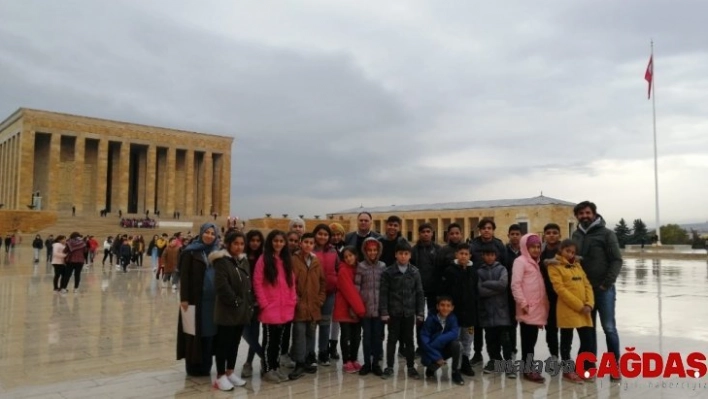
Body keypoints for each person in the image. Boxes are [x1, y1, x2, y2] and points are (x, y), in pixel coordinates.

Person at [571, 201, 623, 381]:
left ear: (594, 214)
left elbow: (616, 260)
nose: (584, 216)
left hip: (603, 290)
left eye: (587, 213)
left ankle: (614, 366)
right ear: (577, 216)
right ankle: (589, 366)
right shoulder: (576, 235)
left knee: (609, 328)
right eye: (581, 214)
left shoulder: (607, 234)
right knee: (588, 329)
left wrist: (606, 284)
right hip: (584, 292)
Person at [546, 239, 594, 383]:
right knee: (567, 342)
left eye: (573, 252)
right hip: (568, 309)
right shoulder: (554, 266)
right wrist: (579, 306)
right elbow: (560, 289)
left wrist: (589, 304)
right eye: (567, 251)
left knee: (587, 341)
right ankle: (568, 370)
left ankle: (582, 367)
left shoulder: (577, 265)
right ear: (561, 250)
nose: (570, 254)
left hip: (585, 310)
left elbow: (587, 285)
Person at [253, 230, 297, 384]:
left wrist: (292, 300)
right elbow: (257, 282)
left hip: (284, 307)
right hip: (270, 308)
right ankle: (267, 368)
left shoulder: (286, 260)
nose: (278, 244)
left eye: (281, 241)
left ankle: (275, 366)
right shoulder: (263, 259)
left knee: (278, 342)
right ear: (270, 242)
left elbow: (291, 283)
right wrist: (264, 303)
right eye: (275, 241)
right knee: (269, 341)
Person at [210, 230, 253, 391]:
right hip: (228, 310)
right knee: (223, 343)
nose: (239, 247)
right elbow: (222, 286)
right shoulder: (222, 261)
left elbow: (247, 285)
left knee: (234, 343)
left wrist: (247, 304)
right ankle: (220, 376)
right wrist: (236, 301)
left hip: (241, 310)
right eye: (236, 243)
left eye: (242, 244)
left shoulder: (243, 261)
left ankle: (230, 372)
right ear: (228, 244)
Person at [177, 223, 221, 377]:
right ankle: (192, 367)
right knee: (192, 334)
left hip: (211, 304)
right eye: (207, 232)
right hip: (193, 301)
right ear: (201, 233)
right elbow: (184, 276)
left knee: (208, 334)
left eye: (212, 233)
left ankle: (206, 366)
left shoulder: (217, 252)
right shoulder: (190, 252)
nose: (209, 235)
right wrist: (184, 298)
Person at [379, 240, 424, 380]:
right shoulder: (388, 272)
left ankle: (410, 366)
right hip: (394, 313)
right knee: (392, 340)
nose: (403, 256)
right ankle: (390, 366)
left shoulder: (415, 272)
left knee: (409, 340)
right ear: (395, 255)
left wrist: (420, 313)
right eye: (400, 253)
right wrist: (385, 312)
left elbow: (419, 293)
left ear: (410, 255)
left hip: (409, 313)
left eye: (406, 253)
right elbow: (384, 293)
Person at [510, 234, 549, 383]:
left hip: (535, 309)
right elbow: (516, 284)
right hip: (527, 308)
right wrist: (523, 303)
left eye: (538, 247)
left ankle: (528, 366)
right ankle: (528, 369)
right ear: (525, 247)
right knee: (528, 340)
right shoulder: (520, 261)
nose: (536, 249)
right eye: (533, 246)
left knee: (531, 340)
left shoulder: (535, 262)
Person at [469, 218, 507, 365]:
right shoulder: (473, 244)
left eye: (489, 228)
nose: (486, 230)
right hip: (478, 288)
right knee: (478, 325)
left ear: (493, 230)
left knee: (495, 326)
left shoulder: (498, 244)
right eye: (484, 228)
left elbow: (504, 264)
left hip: (496, 291)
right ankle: (477, 353)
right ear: (480, 230)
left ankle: (497, 355)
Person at [289, 232, 326, 380]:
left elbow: (322, 282)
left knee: (311, 334)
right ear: (300, 243)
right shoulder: (294, 260)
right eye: (306, 242)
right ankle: (299, 362)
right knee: (299, 334)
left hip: (314, 305)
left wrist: (320, 299)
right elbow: (290, 282)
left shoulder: (316, 262)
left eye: (311, 243)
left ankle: (306, 360)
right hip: (299, 304)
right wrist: (296, 300)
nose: (308, 245)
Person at [439, 245, 477, 377]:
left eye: (466, 254)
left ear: (470, 256)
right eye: (461, 253)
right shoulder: (450, 271)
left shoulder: (473, 270)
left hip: (470, 313)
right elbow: (444, 291)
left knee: (468, 338)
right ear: (456, 255)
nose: (463, 256)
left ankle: (466, 360)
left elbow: (476, 290)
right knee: (456, 339)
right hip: (455, 313)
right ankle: (458, 364)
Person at [477, 245, 514, 377]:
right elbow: (480, 290)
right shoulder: (479, 271)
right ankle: (495, 360)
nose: (489, 257)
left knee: (505, 339)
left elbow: (503, 285)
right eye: (487, 255)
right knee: (490, 339)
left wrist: (487, 283)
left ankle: (508, 364)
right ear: (483, 256)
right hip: (487, 311)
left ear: (496, 256)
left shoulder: (502, 269)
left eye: (492, 255)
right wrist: (494, 286)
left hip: (501, 311)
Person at [355, 238, 386, 376]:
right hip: (365, 309)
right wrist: (357, 306)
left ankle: (376, 364)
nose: (372, 253)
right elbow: (356, 287)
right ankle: (367, 363)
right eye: (369, 250)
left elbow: (386, 288)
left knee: (377, 337)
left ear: (378, 251)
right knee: (366, 337)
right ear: (365, 251)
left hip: (379, 309)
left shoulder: (382, 266)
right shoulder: (361, 266)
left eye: (375, 250)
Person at [333, 246, 366, 374]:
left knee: (356, 336)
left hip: (356, 307)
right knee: (346, 335)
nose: (348, 258)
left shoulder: (359, 268)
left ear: (356, 255)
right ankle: (346, 360)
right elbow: (349, 291)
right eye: (345, 257)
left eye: (350, 255)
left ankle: (354, 358)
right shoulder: (343, 270)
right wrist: (360, 310)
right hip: (345, 308)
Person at [312, 224, 340, 365]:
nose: (322, 237)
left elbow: (338, 268)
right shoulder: (310, 249)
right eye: (320, 234)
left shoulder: (333, 251)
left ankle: (323, 352)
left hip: (329, 292)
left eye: (325, 234)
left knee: (325, 323)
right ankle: (309, 353)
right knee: (311, 323)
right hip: (312, 293)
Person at [420, 296, 464, 385]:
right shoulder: (430, 319)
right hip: (434, 351)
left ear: (452, 308)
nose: (445, 308)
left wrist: (436, 342)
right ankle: (431, 368)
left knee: (457, 345)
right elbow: (424, 340)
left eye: (448, 306)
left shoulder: (453, 318)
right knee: (427, 354)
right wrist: (437, 357)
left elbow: (454, 333)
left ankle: (456, 372)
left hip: (441, 348)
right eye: (442, 305)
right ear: (437, 306)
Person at [241, 230, 265, 378]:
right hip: (243, 301)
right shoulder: (241, 257)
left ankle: (249, 363)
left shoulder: (263, 258)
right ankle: (264, 356)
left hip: (257, 301)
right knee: (245, 332)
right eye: (252, 240)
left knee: (254, 333)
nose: (255, 243)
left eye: (258, 240)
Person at [539, 223, 562, 362]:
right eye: (548, 233)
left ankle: (566, 355)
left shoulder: (565, 251)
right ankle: (554, 354)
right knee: (551, 327)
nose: (551, 235)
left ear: (559, 235)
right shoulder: (541, 252)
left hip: (563, 295)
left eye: (554, 232)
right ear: (544, 235)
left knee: (566, 328)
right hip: (547, 295)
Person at [411, 222, 441, 315]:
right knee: (420, 315)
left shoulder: (438, 249)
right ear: (419, 234)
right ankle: (420, 330)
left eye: (428, 231)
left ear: (432, 233)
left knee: (433, 314)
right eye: (423, 232)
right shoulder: (414, 250)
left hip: (433, 288)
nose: (426, 234)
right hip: (419, 287)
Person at [504, 224, 522, 357]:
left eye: (517, 234)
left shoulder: (526, 251)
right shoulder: (504, 251)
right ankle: (511, 348)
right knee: (511, 321)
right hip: (508, 291)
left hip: (524, 291)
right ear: (508, 235)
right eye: (512, 234)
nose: (515, 236)